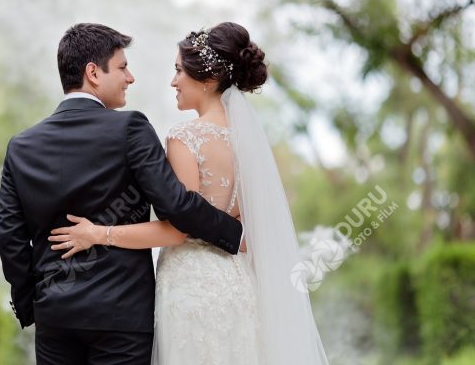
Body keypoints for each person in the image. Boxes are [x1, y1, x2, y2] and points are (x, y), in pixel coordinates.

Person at [50, 23, 329, 364]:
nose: (173, 81)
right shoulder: (250, 141)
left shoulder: (185, 137)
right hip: (239, 282)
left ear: (208, 80)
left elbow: (177, 229)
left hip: (192, 289)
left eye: (179, 70)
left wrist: (98, 233)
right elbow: (236, 219)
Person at [0, 23, 242, 365]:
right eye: (123, 67)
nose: (131, 78)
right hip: (122, 315)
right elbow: (176, 205)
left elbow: (10, 237)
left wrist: (30, 305)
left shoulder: (20, 146)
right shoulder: (130, 128)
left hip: (55, 316)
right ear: (93, 73)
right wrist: (236, 232)